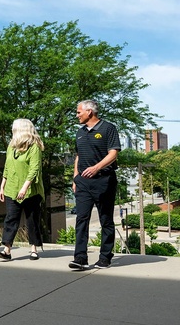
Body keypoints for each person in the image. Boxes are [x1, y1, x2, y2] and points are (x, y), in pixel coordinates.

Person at [69, 100, 121, 270]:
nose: (76, 115)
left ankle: (105, 257)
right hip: (83, 183)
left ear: (89, 112)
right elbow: (78, 156)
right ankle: (80, 258)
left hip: (104, 180)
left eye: (78, 112)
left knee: (106, 220)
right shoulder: (79, 132)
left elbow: (113, 153)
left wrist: (97, 167)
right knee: (81, 219)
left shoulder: (108, 128)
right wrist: (75, 178)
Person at [0, 119, 45, 261]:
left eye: (14, 128)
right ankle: (7, 249)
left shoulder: (34, 147)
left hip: (31, 191)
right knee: (11, 218)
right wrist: (2, 185)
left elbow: (34, 168)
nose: (12, 130)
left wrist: (25, 187)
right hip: (12, 188)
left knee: (32, 220)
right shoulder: (12, 146)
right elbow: (7, 166)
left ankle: (34, 249)